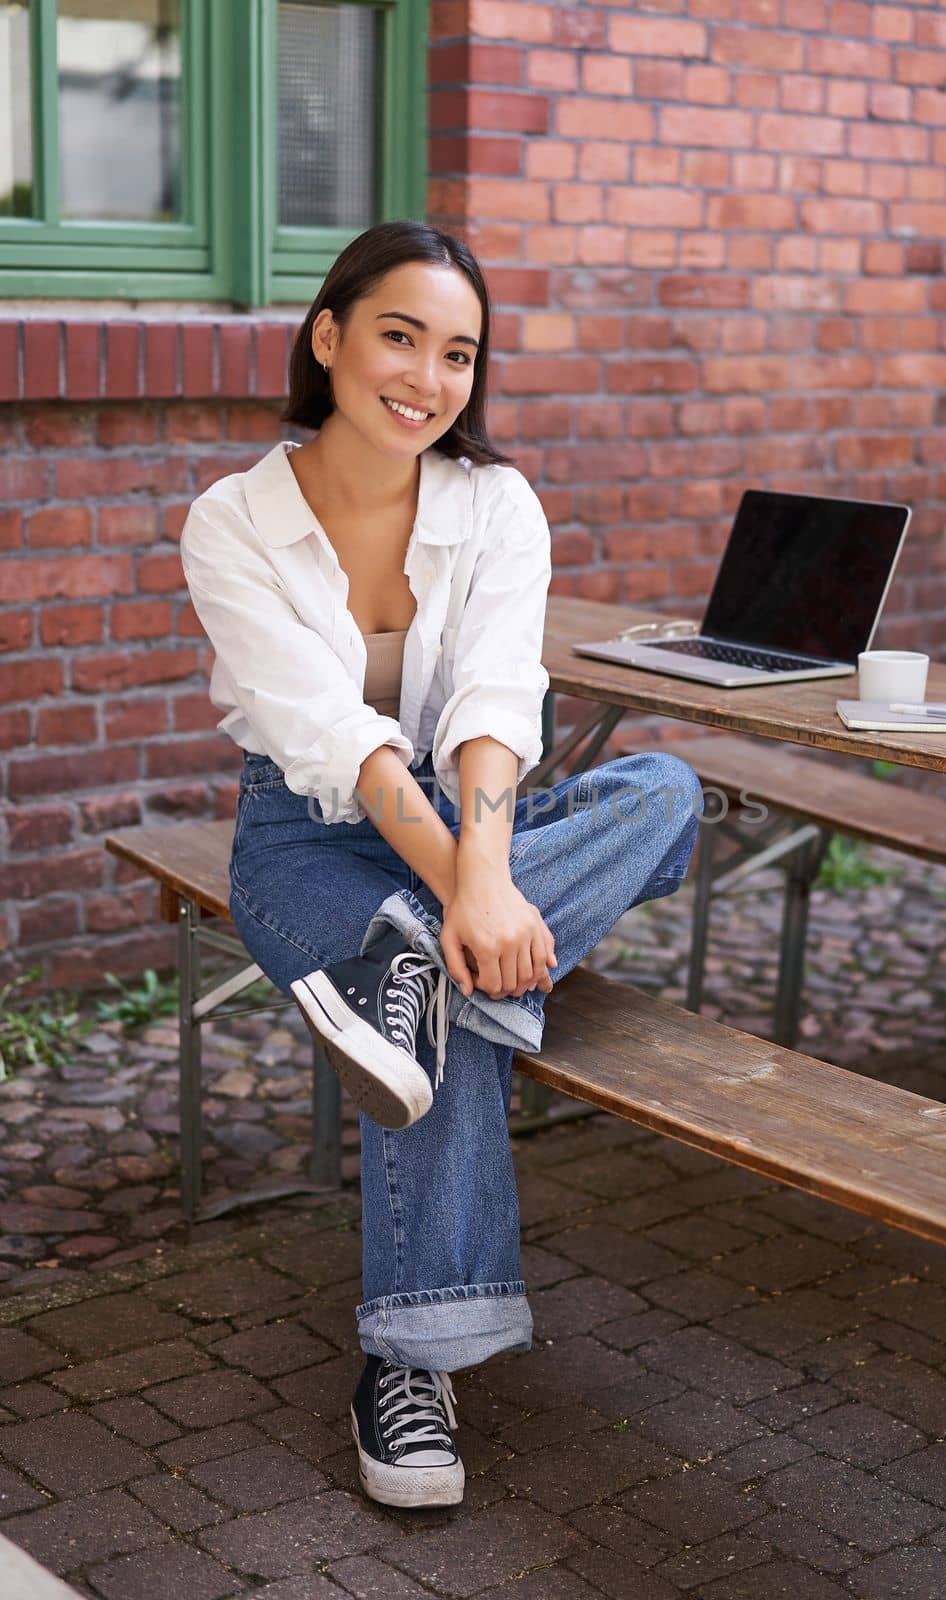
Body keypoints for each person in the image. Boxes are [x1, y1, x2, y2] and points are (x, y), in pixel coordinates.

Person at [179, 220, 703, 1511]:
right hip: (307, 844)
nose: (425, 377)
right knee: (452, 996)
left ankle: (414, 971)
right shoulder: (231, 521)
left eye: (457, 352)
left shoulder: (496, 505)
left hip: (471, 814)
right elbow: (336, 740)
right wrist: (470, 889)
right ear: (330, 336)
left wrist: (482, 868)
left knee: (666, 793)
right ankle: (408, 1362)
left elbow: (492, 695)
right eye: (399, 336)